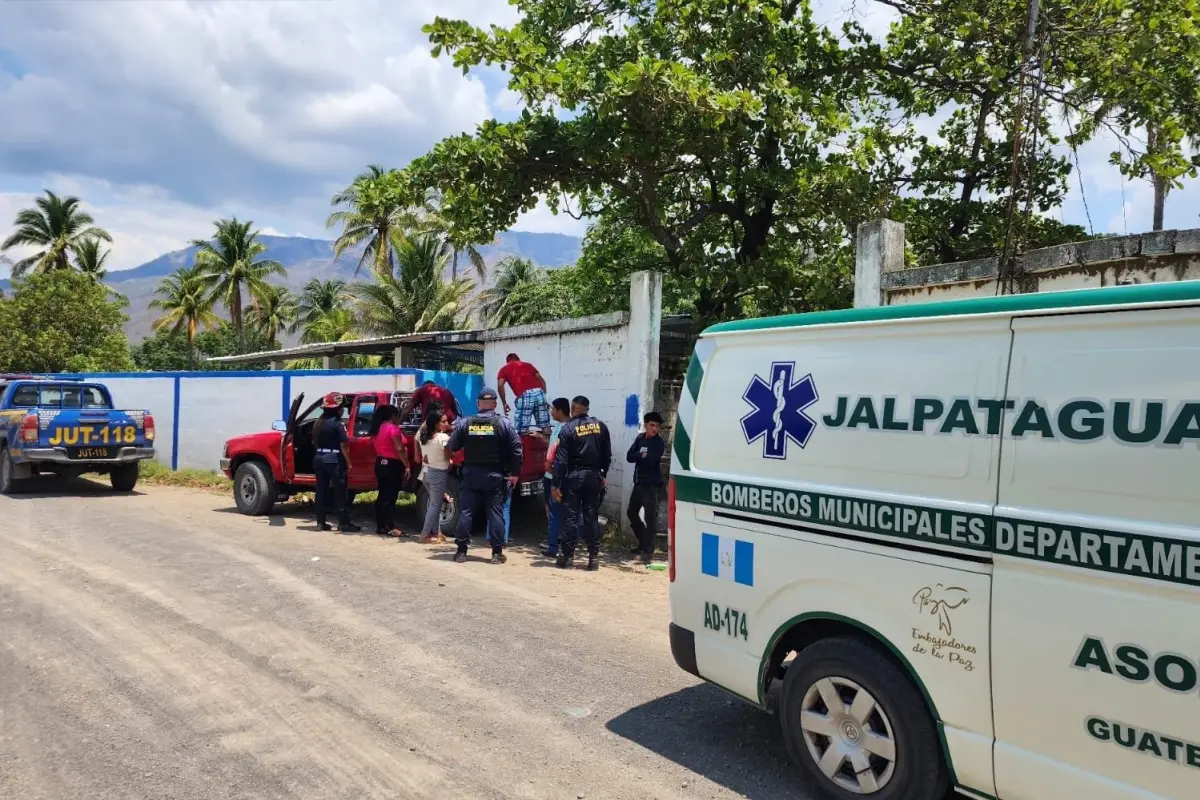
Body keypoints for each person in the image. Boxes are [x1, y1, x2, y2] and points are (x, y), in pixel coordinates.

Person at [447, 387, 523, 564]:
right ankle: (496, 553)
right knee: (495, 513)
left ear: (477, 404)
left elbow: (452, 446)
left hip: (471, 474)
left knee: (466, 512)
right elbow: (516, 450)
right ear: (495, 404)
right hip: (495, 475)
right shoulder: (504, 423)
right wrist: (514, 473)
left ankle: (461, 552)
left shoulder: (465, 423)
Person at [552, 395, 612, 570]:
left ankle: (567, 557)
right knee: (591, 516)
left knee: (570, 517)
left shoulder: (568, 428)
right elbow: (607, 455)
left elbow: (561, 461)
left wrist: (556, 484)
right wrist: (603, 475)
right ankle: (593, 558)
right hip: (594, 476)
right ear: (587, 409)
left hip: (574, 476)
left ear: (572, 408)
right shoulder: (601, 426)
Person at [312, 392, 360, 533]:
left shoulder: (318, 423)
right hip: (333, 459)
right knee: (340, 492)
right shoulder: (338, 423)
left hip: (319, 457)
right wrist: (349, 462)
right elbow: (344, 445)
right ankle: (343, 523)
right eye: (342, 407)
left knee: (321, 491)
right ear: (337, 409)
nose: (343, 409)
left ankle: (320, 522)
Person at [626, 411, 666, 562]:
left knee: (650, 518)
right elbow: (629, 456)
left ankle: (648, 551)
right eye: (652, 425)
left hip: (650, 485)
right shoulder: (640, 438)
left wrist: (642, 456)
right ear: (646, 424)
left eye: (657, 426)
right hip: (638, 483)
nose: (654, 429)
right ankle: (643, 542)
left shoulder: (658, 443)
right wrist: (640, 456)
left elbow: (652, 460)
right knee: (631, 513)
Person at [370, 404, 412, 537]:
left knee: (382, 494)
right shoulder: (393, 429)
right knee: (391, 496)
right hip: (392, 464)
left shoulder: (377, 428)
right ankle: (390, 526)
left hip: (380, 462)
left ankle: (381, 525)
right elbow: (399, 448)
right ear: (393, 416)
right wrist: (407, 465)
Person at [417, 410, 453, 544]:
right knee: (435, 505)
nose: (447, 423)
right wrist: (450, 460)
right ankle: (425, 534)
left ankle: (436, 532)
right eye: (443, 421)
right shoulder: (443, 438)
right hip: (438, 473)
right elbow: (448, 455)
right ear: (436, 424)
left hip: (426, 473)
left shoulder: (423, 436)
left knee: (435, 503)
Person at [541, 397, 571, 558]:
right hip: (549, 475)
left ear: (560, 411)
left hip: (556, 476)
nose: (551, 412)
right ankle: (553, 540)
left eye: (553, 409)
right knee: (550, 509)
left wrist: (553, 470)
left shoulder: (567, 429)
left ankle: (555, 545)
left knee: (557, 511)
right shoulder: (558, 426)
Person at [497, 353, 550, 434]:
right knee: (545, 425)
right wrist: (543, 398)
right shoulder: (528, 365)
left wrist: (504, 403)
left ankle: (522, 442)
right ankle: (550, 442)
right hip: (539, 392)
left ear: (507, 361)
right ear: (518, 359)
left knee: (521, 428)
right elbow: (542, 381)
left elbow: (500, 385)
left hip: (525, 395)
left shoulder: (504, 369)